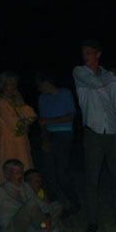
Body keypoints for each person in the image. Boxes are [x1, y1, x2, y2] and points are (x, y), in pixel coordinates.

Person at [73, 39, 116, 232]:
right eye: (84, 53)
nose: (86, 56)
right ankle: (92, 221)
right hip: (94, 131)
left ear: (98, 54)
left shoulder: (109, 76)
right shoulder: (80, 72)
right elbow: (95, 83)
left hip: (113, 131)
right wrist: (113, 76)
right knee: (92, 178)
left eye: (89, 52)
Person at [36, 73, 80, 214]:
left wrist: (49, 121)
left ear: (46, 83)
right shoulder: (42, 98)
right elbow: (42, 122)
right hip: (49, 135)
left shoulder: (65, 94)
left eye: (39, 84)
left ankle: (74, 203)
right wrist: (44, 139)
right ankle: (53, 205)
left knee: (62, 171)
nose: (38, 88)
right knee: (49, 171)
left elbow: (70, 116)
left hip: (64, 134)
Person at [0, 159, 61, 232]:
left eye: (21, 172)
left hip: (29, 223)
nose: (20, 176)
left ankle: (41, 230)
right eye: (17, 173)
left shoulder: (26, 186)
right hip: (11, 227)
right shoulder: (1, 191)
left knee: (57, 206)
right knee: (31, 204)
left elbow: (40, 203)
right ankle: (46, 228)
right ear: (7, 175)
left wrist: (47, 215)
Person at [0, 72, 37, 182]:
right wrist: (25, 120)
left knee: (25, 170)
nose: (13, 87)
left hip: (21, 142)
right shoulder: (0, 103)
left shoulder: (17, 100)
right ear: (2, 85)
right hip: (8, 143)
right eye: (9, 83)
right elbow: (15, 125)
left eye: (15, 84)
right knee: (10, 173)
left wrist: (22, 109)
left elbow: (32, 115)